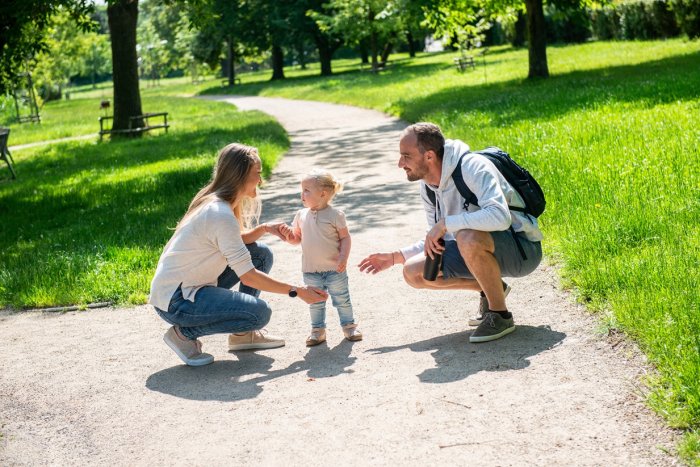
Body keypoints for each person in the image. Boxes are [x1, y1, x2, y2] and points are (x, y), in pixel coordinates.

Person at [358, 122, 543, 343]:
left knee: (467, 235)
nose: (400, 164)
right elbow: (437, 237)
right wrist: (396, 257)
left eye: (406, 156)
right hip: (478, 247)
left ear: (429, 156)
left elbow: (500, 216)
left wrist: (447, 223)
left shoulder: (472, 167)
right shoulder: (428, 185)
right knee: (414, 272)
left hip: (521, 250)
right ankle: (493, 288)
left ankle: (500, 315)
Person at [149, 143, 328, 366]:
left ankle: (243, 336)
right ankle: (184, 334)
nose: (260, 181)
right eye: (257, 174)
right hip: (176, 301)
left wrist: (264, 229)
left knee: (260, 254)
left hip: (186, 289)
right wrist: (297, 291)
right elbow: (248, 276)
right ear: (240, 174)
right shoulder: (219, 213)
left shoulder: (217, 204)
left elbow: (235, 241)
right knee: (259, 314)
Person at [282, 168, 362, 346]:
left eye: (306, 190)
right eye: (301, 190)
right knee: (315, 302)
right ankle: (318, 330)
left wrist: (343, 257)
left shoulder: (335, 215)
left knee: (342, 298)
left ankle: (349, 326)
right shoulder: (301, 215)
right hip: (311, 270)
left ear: (323, 194)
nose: (302, 195)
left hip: (335, 269)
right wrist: (289, 236)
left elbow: (345, 237)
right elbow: (297, 239)